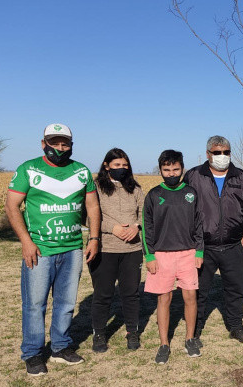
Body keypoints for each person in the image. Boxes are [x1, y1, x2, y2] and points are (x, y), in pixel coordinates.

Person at [5, 123, 101, 376]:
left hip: (72, 249)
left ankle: (60, 347)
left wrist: (93, 238)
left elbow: (92, 206)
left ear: (71, 145)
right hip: (40, 250)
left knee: (66, 302)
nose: (59, 147)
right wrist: (26, 241)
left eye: (64, 143)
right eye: (54, 142)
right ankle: (33, 353)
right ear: (43, 144)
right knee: (35, 304)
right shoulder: (28, 169)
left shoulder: (81, 171)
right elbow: (12, 206)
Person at [183, 135, 243, 344]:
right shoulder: (194, 176)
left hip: (234, 245)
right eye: (217, 152)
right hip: (203, 247)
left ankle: (236, 326)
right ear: (208, 154)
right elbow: (184, 209)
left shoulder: (241, 177)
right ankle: (195, 328)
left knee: (235, 290)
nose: (222, 156)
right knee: (199, 291)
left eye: (226, 152)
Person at [142, 150, 204, 364]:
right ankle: (164, 344)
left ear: (182, 169)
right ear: (160, 170)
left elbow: (199, 223)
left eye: (175, 169)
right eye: (166, 169)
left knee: (190, 297)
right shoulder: (153, 195)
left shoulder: (191, 193)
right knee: (164, 299)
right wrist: (149, 255)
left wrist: (199, 251)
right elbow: (147, 227)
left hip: (188, 253)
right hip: (161, 255)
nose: (171, 173)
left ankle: (190, 339)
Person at [90, 148, 145, 353]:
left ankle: (132, 331)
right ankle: (99, 334)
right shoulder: (95, 187)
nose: (121, 168)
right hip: (105, 248)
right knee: (103, 294)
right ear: (107, 166)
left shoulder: (135, 188)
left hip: (132, 249)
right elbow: (86, 215)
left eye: (124, 165)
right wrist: (111, 228)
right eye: (117, 165)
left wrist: (136, 227)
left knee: (131, 294)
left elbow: (145, 212)